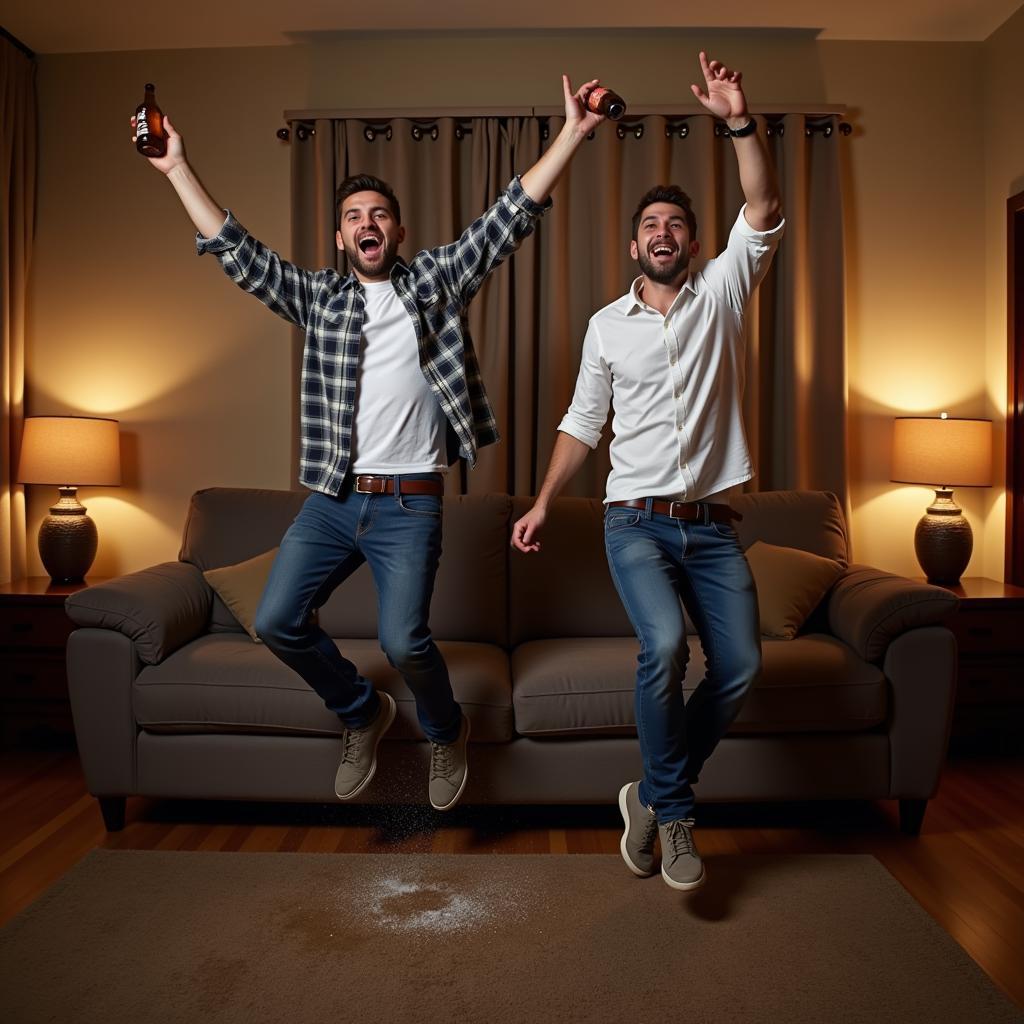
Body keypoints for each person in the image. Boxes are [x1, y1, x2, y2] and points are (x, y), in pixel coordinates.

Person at [133, 77, 605, 813]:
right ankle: (360, 712)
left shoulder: (438, 282)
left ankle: (447, 732)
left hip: (411, 503)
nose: (367, 223)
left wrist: (572, 133)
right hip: (334, 498)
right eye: (353, 216)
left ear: (398, 232)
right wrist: (176, 169)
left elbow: (510, 216)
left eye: (379, 213)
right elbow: (236, 252)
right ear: (340, 238)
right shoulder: (321, 299)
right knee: (278, 621)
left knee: (405, 641)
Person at [512, 53, 784, 890]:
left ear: (694, 243)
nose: (663, 233)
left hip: (711, 525)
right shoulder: (606, 327)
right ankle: (675, 817)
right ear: (634, 244)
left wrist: (738, 121)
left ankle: (654, 789)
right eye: (650, 225)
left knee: (740, 668)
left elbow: (763, 203)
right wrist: (545, 500)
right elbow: (582, 424)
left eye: (676, 224)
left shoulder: (727, 289)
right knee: (663, 645)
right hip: (632, 519)